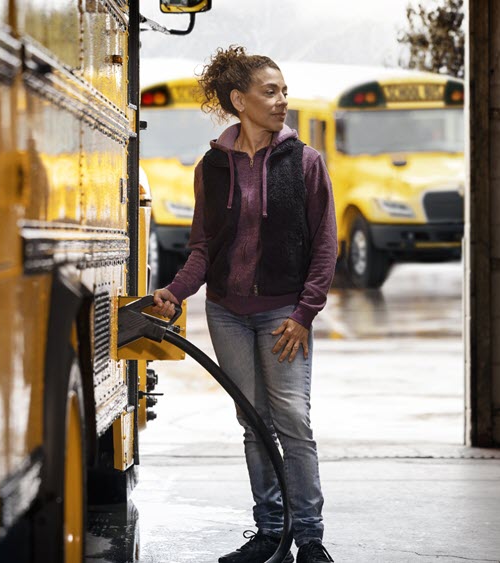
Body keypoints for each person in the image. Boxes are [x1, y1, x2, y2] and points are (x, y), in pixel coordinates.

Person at [152, 46, 337, 563]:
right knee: (253, 424)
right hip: (228, 313)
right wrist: (175, 293)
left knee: (293, 421)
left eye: (283, 90)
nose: (282, 101)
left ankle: (310, 539)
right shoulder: (212, 166)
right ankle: (270, 532)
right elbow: (202, 249)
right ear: (240, 99)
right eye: (270, 91)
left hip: (284, 315)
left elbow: (325, 245)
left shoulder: (304, 161)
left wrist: (304, 314)